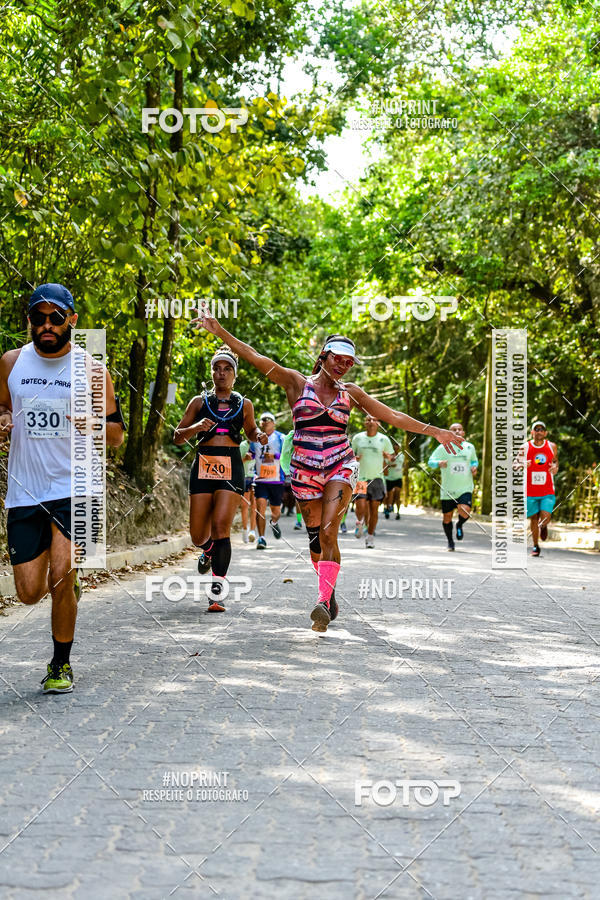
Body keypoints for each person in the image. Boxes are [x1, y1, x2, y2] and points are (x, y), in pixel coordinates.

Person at [193, 313, 463, 631]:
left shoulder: (350, 393)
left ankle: (321, 602)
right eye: (339, 358)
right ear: (324, 356)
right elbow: (256, 357)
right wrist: (219, 330)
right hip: (304, 472)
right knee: (315, 541)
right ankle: (329, 589)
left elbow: (390, 414)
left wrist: (436, 431)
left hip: (340, 465)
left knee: (328, 532)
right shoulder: (297, 383)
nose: (343, 366)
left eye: (349, 362)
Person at [0, 283, 125, 693]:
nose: (47, 325)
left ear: (72, 320)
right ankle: (68, 587)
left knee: (60, 573)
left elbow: (117, 434)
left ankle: (60, 665)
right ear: (30, 321)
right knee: (29, 592)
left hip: (75, 487)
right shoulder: (11, 362)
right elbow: (3, 406)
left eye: (56, 317)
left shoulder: (91, 369)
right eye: (39, 317)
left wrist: (95, 426)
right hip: (25, 489)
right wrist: (3, 420)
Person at [174, 347, 267, 612]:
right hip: (203, 464)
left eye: (227, 369)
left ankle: (217, 592)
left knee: (221, 527)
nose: (221, 373)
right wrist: (196, 427)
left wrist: (258, 435)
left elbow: (250, 431)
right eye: (217, 368)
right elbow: (177, 436)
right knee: (197, 535)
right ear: (212, 372)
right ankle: (208, 550)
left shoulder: (243, 404)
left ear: (235, 375)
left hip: (230, 465)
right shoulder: (199, 402)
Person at [427, 423, 478, 551]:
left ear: (463, 432)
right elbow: (430, 462)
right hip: (447, 489)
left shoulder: (469, 447)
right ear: (449, 432)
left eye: (459, 429)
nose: (457, 431)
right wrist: (439, 463)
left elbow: (474, 461)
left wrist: (474, 467)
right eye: (454, 430)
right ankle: (450, 542)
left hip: (465, 487)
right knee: (447, 517)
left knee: (465, 510)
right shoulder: (442, 447)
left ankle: (459, 524)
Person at [351, 415, 394, 548]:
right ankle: (360, 522)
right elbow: (350, 457)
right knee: (360, 505)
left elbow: (392, 459)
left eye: (374, 420)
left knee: (374, 509)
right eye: (368, 420)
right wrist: (355, 459)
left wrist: (388, 457)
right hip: (360, 478)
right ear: (365, 423)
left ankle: (370, 537)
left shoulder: (384, 439)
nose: (371, 422)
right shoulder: (357, 438)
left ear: (378, 423)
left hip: (377, 479)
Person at [251, 412, 285, 549]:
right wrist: (249, 455)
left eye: (268, 420)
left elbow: (288, 455)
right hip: (260, 480)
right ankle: (261, 538)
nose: (265, 422)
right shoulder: (255, 439)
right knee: (260, 507)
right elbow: (252, 453)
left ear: (274, 423)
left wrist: (275, 455)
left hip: (276, 480)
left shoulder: (281, 438)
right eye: (262, 420)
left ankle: (274, 523)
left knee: (276, 512)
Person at [523, 420, 558, 557]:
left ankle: (543, 525)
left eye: (541, 429)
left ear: (545, 433)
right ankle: (535, 546)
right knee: (533, 518)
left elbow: (555, 460)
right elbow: (515, 463)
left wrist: (555, 467)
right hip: (530, 491)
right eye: (536, 429)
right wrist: (522, 463)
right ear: (532, 432)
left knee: (544, 516)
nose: (539, 432)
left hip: (547, 489)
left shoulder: (552, 446)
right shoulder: (525, 447)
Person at [238, 436, 257, 542]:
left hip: (255, 477)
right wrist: (245, 458)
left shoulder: (259, 445)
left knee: (254, 505)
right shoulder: (242, 445)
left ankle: (252, 531)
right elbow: (236, 462)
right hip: (244, 477)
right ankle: (245, 529)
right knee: (245, 505)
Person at [383, 449, 404, 519]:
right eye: (394, 448)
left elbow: (403, 465)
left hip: (398, 478)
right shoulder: (387, 456)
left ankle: (398, 512)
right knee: (389, 495)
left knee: (397, 494)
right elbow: (384, 466)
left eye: (397, 447)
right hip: (389, 478)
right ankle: (387, 508)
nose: (396, 449)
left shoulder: (402, 456)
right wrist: (391, 465)